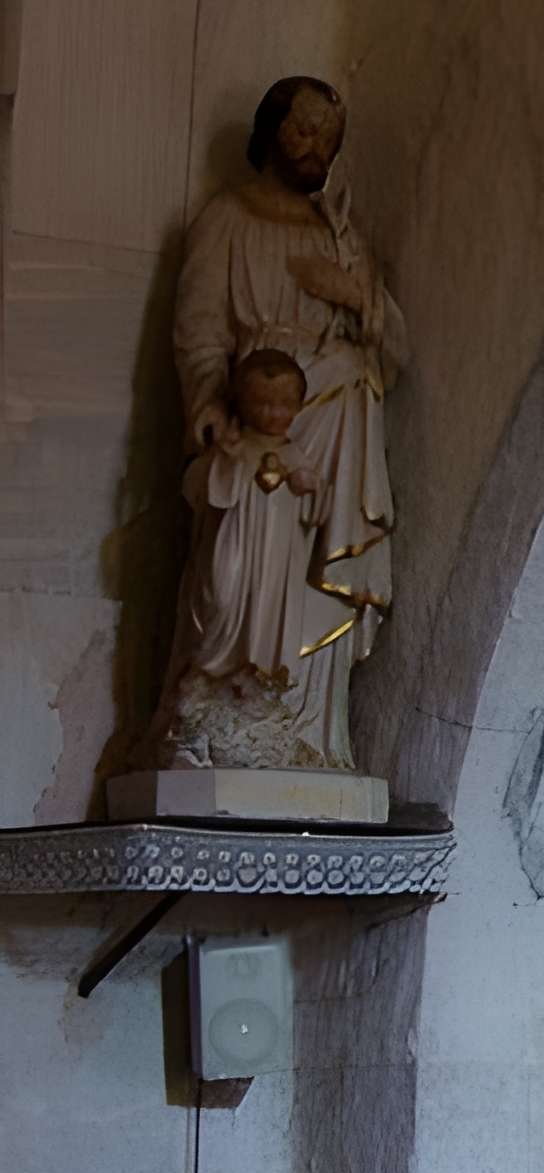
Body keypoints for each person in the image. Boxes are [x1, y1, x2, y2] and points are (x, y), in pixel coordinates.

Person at [166, 76, 407, 771]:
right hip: (260, 419)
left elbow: (397, 346)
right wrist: (207, 402)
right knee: (237, 571)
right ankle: (224, 714)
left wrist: (359, 297)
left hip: (338, 425)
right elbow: (200, 327)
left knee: (313, 573)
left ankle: (311, 733)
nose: (315, 150)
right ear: (269, 131)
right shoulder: (228, 218)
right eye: (302, 131)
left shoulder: (340, 235)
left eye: (329, 140)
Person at [142, 348, 336, 769]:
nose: (272, 413)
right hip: (234, 551)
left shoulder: (295, 455)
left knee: (268, 618)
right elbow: (197, 492)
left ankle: (253, 686)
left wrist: (309, 488)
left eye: (283, 404)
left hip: (275, 568)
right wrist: (227, 461)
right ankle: (207, 683)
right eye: (262, 403)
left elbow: (318, 513)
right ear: (241, 402)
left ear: (299, 406)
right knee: (220, 602)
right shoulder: (233, 448)